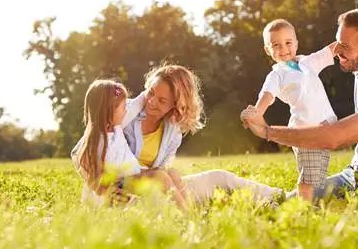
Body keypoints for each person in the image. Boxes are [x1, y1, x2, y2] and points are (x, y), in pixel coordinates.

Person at [241, 6, 358, 199]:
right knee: (294, 201)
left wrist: (267, 132)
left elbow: (331, 138)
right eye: (338, 43)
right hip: (354, 175)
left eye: (344, 47)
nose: (338, 52)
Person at [125, 65, 285, 204]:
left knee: (219, 177)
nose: (152, 101)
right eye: (151, 92)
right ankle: (187, 215)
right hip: (121, 191)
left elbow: (163, 171)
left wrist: (174, 186)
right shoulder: (123, 113)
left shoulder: (172, 131)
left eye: (162, 101)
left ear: (176, 106)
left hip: (153, 189)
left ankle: (282, 197)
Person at [253, 18, 338, 201]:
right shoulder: (277, 74)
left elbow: (329, 51)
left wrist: (348, 42)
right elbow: (267, 95)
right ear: (268, 50)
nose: (283, 49)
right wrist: (257, 112)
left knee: (317, 173)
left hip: (326, 125)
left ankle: (306, 203)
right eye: (276, 45)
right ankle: (303, 207)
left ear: (296, 43)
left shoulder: (307, 62)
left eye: (288, 43)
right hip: (305, 129)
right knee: (309, 176)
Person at [71, 79, 187, 208]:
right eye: (123, 107)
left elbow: (137, 104)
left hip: (132, 176)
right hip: (117, 185)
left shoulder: (116, 129)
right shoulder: (97, 139)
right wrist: (105, 191)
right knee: (160, 177)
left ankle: (190, 208)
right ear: (109, 111)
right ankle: (187, 215)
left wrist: (156, 88)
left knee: (172, 173)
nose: (127, 110)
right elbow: (88, 169)